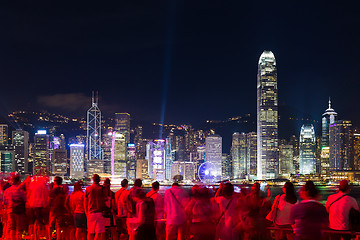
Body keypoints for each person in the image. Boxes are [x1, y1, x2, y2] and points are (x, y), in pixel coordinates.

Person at [2, 174, 27, 240]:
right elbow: (25, 200)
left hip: (9, 211)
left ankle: (11, 238)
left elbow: (4, 202)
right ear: (18, 181)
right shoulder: (20, 191)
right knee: (19, 228)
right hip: (18, 212)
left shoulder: (7, 190)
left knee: (11, 227)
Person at [27, 176, 50, 240]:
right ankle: (47, 236)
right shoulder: (43, 187)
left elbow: (29, 195)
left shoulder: (33, 187)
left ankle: (35, 236)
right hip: (42, 205)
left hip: (33, 206)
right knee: (45, 222)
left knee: (35, 222)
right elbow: (46, 196)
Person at [85, 174, 106, 240]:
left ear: (93, 180)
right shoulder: (102, 189)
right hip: (99, 213)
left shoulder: (88, 189)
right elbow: (105, 200)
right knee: (99, 232)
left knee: (90, 232)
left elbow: (85, 203)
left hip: (91, 213)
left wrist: (86, 213)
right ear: (99, 180)